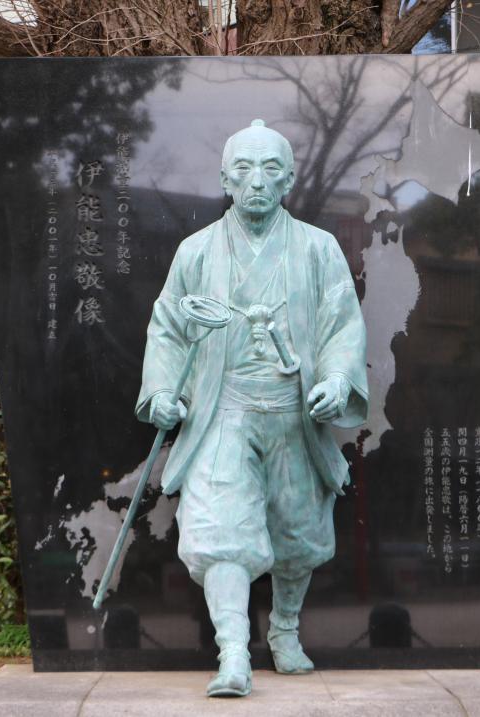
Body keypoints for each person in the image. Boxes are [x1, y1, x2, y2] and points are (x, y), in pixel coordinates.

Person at [136, 119, 367, 697]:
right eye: (242, 169)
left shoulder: (318, 247)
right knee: (220, 529)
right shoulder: (197, 252)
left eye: (269, 169)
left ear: (288, 179)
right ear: (224, 179)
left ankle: (285, 632)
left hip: (293, 408)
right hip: (223, 409)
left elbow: (343, 324)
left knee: (296, 530)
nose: (256, 181)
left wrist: (338, 381)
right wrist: (163, 392)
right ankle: (233, 653)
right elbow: (167, 327)